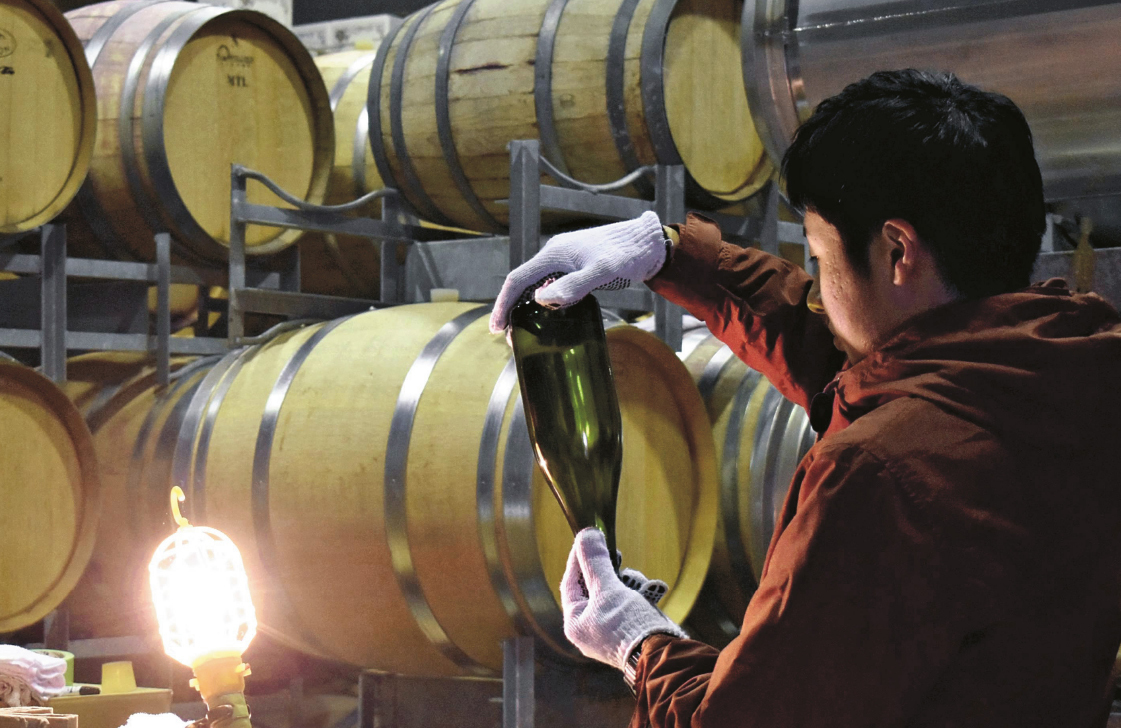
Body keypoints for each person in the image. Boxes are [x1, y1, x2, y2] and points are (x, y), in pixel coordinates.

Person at [488, 70, 1121, 727]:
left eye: (818, 258)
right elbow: (871, 368)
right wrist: (670, 256)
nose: (815, 283)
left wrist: (641, 648)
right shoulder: (1073, 375)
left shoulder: (879, 475)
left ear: (896, 250)